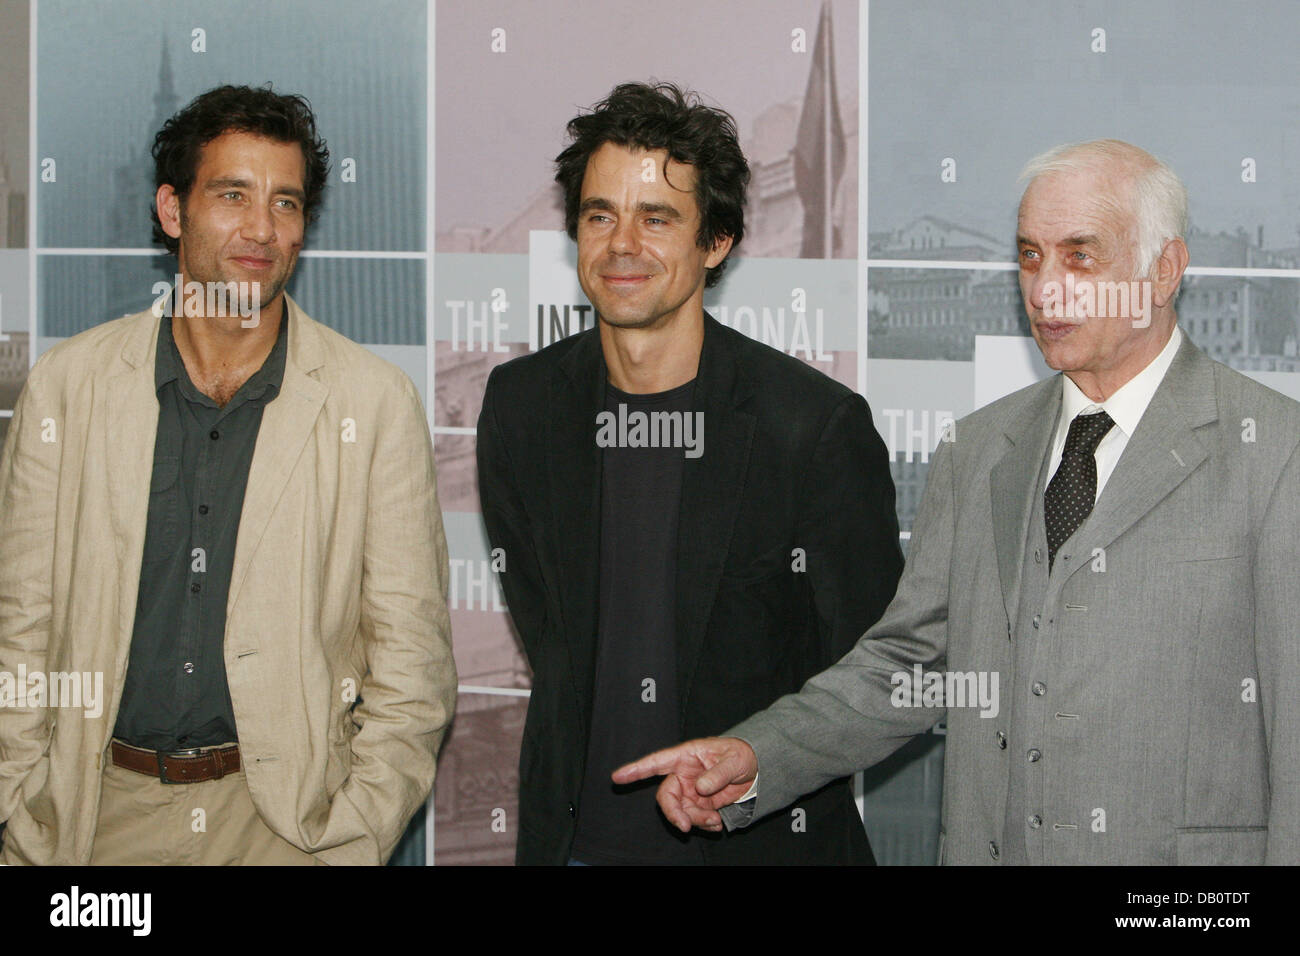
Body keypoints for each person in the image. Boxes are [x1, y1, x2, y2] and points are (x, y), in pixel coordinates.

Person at [618, 139, 1300, 865]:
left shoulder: (1273, 452)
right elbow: (912, 668)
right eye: (1030, 256)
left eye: (1079, 257)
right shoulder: (978, 450)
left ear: (1163, 271)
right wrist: (757, 756)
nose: (1044, 291)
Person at [0, 84, 455, 865]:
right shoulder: (69, 387)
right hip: (92, 823)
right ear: (172, 211)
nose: (261, 229)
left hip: (282, 829)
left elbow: (411, 664)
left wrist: (348, 838)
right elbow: (19, 627)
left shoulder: (373, 403)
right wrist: (21, 802)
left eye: (285, 203)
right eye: (233, 195)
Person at [477, 82, 902, 865]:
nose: (622, 244)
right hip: (575, 847)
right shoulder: (522, 406)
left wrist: (762, 757)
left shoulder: (811, 427)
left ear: (717, 243)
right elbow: (549, 629)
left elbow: (883, 674)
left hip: (767, 847)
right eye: (600, 214)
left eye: (657, 217)